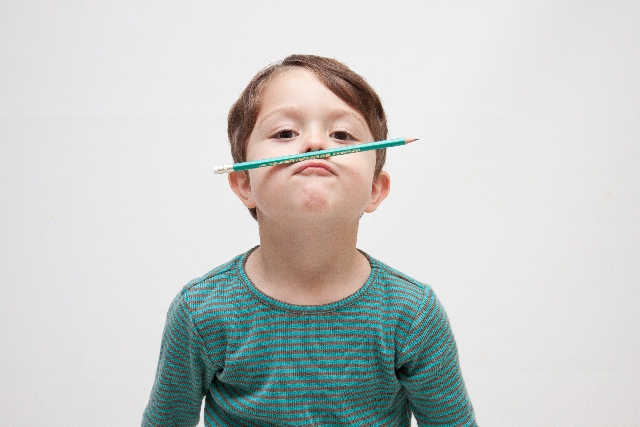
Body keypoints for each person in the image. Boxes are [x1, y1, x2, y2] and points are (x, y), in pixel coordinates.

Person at [142, 54, 477, 427]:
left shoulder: (412, 315)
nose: (316, 143)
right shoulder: (201, 311)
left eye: (342, 135)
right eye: (285, 133)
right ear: (242, 182)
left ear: (375, 189)